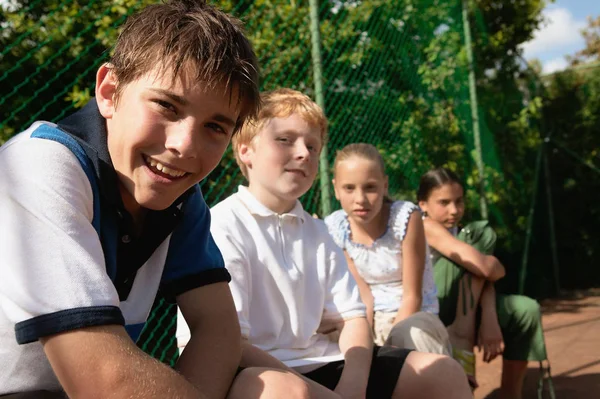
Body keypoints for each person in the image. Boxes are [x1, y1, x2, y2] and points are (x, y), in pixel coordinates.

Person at [0, 1, 312, 397]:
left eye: (215, 126)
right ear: (109, 91)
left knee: (277, 389)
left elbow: (218, 330)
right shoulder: (35, 166)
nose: (184, 145)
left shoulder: (180, 197)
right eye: (166, 105)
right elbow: (105, 381)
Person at [177, 89, 472, 399]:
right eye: (285, 140)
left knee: (443, 373)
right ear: (246, 150)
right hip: (253, 372)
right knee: (286, 392)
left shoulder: (319, 231)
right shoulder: (222, 225)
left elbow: (352, 317)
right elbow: (227, 343)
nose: (304, 152)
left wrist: (353, 387)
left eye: (312, 146)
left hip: (321, 362)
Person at [417, 167, 549, 399]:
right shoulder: (423, 225)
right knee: (481, 234)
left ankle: (510, 394)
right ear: (423, 205)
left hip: (466, 305)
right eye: (444, 202)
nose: (454, 210)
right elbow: (489, 269)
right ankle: (462, 342)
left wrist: (489, 317)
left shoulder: (462, 233)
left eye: (459, 201)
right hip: (430, 309)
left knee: (525, 310)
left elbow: (486, 274)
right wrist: (488, 266)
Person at [324, 143, 451, 357]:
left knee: (409, 335)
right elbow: (363, 296)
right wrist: (365, 342)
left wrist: (388, 351)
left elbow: (413, 297)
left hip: (413, 316)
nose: (360, 199)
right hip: (368, 315)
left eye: (370, 187)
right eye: (349, 188)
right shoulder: (336, 227)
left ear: (385, 185)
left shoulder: (406, 217)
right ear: (335, 189)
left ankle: (445, 382)